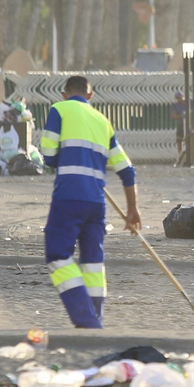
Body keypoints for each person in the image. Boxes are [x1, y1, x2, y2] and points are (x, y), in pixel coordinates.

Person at [38, 75, 141, 328]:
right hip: (96, 202)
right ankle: (95, 319)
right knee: (93, 263)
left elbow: (48, 156)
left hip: (68, 196)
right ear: (90, 96)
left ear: (64, 94)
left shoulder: (59, 109)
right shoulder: (103, 121)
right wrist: (132, 210)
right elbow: (127, 170)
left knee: (58, 255)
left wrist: (62, 156)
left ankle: (87, 321)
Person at [171, 92, 188, 160]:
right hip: (181, 124)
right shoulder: (175, 105)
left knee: (189, 140)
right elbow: (174, 115)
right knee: (179, 140)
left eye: (180, 98)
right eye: (177, 98)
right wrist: (181, 116)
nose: (179, 99)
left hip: (188, 125)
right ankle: (180, 155)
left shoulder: (188, 103)